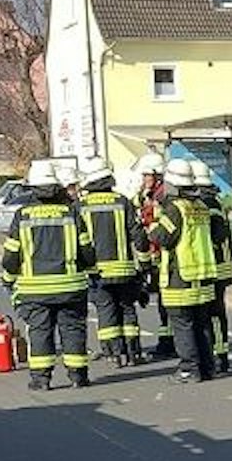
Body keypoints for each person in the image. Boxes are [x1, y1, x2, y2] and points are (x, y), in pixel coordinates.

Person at [2, 163, 94, 390]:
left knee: (40, 333)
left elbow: (12, 255)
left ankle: (41, 380)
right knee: (73, 330)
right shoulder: (71, 213)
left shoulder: (22, 216)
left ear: (33, 188)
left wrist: (8, 278)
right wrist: (88, 269)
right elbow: (86, 251)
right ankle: (78, 377)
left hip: (35, 291)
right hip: (70, 287)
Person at [147, 158, 220, 383]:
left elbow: (162, 238)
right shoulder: (201, 207)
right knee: (201, 324)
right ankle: (207, 367)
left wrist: (151, 226)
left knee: (183, 325)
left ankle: (189, 369)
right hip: (203, 277)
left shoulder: (174, 209)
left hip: (180, 276)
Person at [76, 158, 146, 369]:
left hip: (97, 271)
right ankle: (133, 352)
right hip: (125, 270)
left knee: (106, 312)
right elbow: (138, 235)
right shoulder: (122, 201)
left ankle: (114, 355)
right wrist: (144, 264)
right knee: (127, 309)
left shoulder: (80, 206)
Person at [190, 161, 232, 375]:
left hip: (215, 268)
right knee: (215, 313)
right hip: (219, 268)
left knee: (213, 314)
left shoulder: (207, 204)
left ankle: (219, 357)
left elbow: (217, 235)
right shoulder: (212, 201)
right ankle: (219, 355)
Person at [133, 153, 175, 361]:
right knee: (162, 300)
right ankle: (167, 341)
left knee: (166, 301)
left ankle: (169, 343)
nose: (144, 179)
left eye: (147, 175)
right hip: (155, 253)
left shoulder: (163, 195)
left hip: (163, 253)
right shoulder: (149, 194)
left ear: (157, 175)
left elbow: (156, 224)